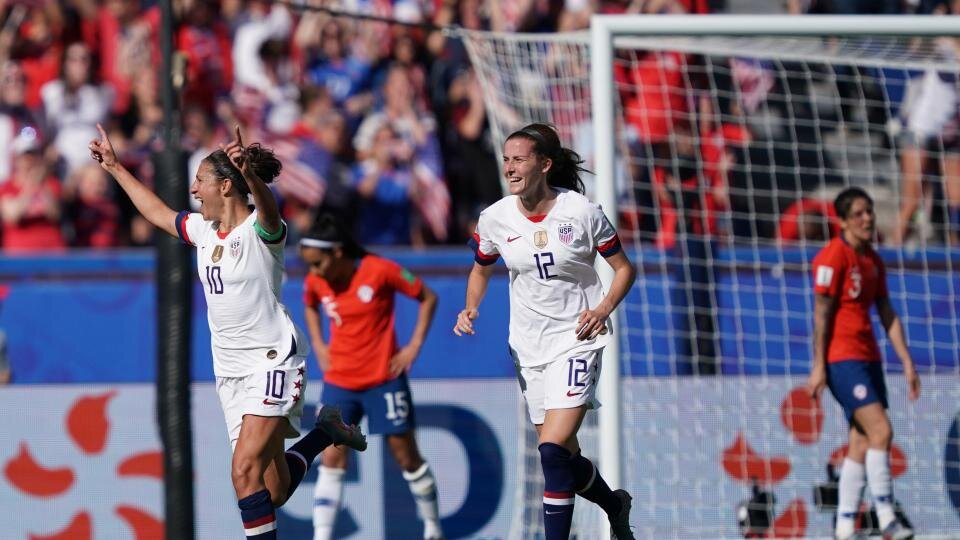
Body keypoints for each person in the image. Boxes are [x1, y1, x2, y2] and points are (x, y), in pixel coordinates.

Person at [87, 123, 367, 540]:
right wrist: (114, 167)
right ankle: (326, 431)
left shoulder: (260, 233)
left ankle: (325, 431)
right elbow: (158, 213)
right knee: (272, 490)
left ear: (225, 187)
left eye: (200, 181)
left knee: (242, 471)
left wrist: (252, 177)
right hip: (231, 375)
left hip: (273, 362)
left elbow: (270, 211)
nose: (194, 190)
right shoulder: (203, 232)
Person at [453, 123, 637, 539]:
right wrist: (471, 307)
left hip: (577, 339)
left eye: (519, 159)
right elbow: (481, 269)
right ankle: (614, 504)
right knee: (563, 456)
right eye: (506, 159)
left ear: (544, 164)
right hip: (528, 346)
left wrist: (603, 307)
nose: (510, 168)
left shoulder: (582, 213)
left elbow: (624, 269)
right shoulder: (495, 218)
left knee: (551, 451)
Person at [299, 213, 444, 540]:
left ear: (337, 253)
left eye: (318, 263)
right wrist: (319, 344)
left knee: (405, 455)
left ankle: (433, 528)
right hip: (339, 383)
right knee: (332, 455)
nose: (314, 272)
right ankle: (322, 536)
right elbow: (309, 303)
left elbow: (428, 297)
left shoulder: (380, 270)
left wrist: (413, 346)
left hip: (383, 379)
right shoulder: (316, 280)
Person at [807, 187, 921, 540]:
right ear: (842, 221)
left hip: (869, 357)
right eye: (858, 213)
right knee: (881, 431)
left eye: (870, 211)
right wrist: (818, 365)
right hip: (842, 359)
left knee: (859, 441)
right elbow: (822, 313)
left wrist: (906, 361)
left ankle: (843, 527)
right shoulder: (832, 257)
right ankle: (887, 516)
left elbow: (886, 311)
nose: (868, 218)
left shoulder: (873, 259)